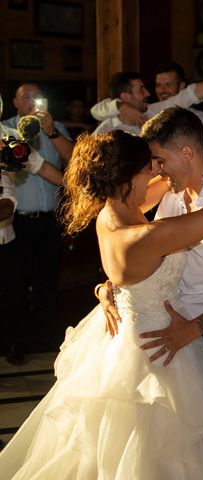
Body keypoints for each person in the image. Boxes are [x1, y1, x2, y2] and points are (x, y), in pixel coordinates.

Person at [0, 130, 203, 479]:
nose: (155, 173)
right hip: (153, 352)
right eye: (147, 169)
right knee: (154, 448)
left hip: (124, 336)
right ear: (126, 178)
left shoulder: (114, 211)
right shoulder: (145, 235)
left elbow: (166, 184)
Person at [100, 107, 203, 456]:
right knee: (178, 447)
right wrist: (109, 287)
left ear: (188, 153)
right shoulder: (172, 198)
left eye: (159, 160)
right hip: (174, 339)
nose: (155, 171)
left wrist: (191, 330)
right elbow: (145, 257)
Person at [2, 83, 74, 357]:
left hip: (47, 219)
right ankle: (16, 341)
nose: (32, 102)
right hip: (15, 221)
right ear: (14, 102)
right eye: (26, 97)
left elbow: (42, 166)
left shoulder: (48, 128)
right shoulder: (6, 130)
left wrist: (51, 131)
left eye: (36, 97)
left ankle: (46, 338)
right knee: (15, 284)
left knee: (46, 279)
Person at [91, 55, 203, 135]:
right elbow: (95, 111)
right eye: (142, 89)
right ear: (126, 97)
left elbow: (191, 94)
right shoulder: (106, 129)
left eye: (168, 84)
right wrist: (120, 106)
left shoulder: (153, 112)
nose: (149, 93)